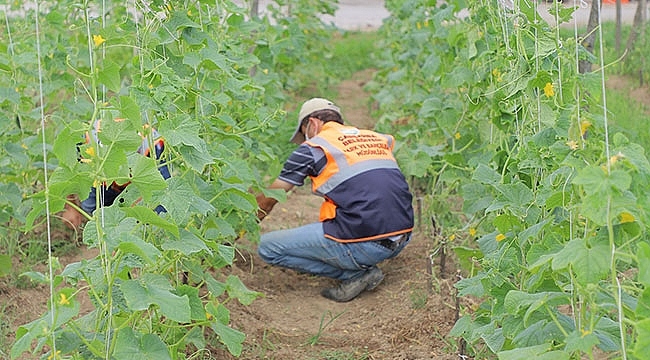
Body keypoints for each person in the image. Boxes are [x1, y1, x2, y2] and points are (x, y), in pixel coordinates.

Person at [255, 98, 414, 302]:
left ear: (312, 124)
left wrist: (239, 229)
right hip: (402, 237)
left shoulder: (313, 148)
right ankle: (361, 260)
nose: (305, 141)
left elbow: (270, 199)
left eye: (304, 135)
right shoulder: (375, 138)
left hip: (366, 244)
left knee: (268, 248)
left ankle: (355, 274)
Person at [62, 120, 170, 230]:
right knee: (91, 208)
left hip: (135, 183)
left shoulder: (152, 144)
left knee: (159, 212)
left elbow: (162, 191)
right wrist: (70, 207)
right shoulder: (88, 138)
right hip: (102, 183)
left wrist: (139, 206)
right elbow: (67, 170)